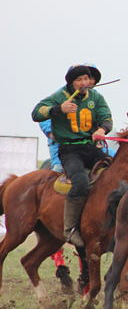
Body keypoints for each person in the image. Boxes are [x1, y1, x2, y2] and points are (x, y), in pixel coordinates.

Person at [32, 65, 113, 247]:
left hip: (90, 148)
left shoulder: (96, 97)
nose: (84, 83)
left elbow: (106, 117)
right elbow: (36, 113)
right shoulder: (59, 96)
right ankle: (70, 229)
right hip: (69, 150)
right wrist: (58, 109)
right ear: (71, 82)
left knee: (114, 174)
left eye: (87, 79)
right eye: (79, 80)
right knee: (81, 182)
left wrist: (101, 129)